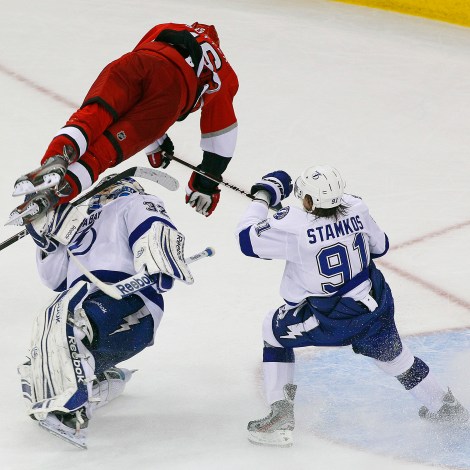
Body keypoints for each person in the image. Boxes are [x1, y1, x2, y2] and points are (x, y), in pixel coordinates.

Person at [235, 166, 469, 447]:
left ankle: (280, 416)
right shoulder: (356, 207)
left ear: (309, 201)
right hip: (375, 305)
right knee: (396, 359)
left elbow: (246, 240)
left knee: (272, 332)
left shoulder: (294, 227)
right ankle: (445, 407)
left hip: (333, 318)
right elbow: (380, 247)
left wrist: (263, 196)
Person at [18, 175, 195, 448]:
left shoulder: (134, 202)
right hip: (86, 301)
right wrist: (47, 242)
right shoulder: (75, 226)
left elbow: (152, 224)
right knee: (47, 348)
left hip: (130, 302)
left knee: (73, 325)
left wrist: (158, 257)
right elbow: (54, 280)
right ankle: (100, 382)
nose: (103, 192)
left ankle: (74, 411)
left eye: (110, 186)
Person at [9, 21, 238, 225]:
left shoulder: (169, 26)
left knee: (94, 115)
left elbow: (148, 74)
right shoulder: (221, 66)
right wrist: (205, 182)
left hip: (135, 62)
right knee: (105, 151)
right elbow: (221, 129)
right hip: (171, 91)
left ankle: (57, 157)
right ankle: (58, 192)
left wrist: (155, 143)